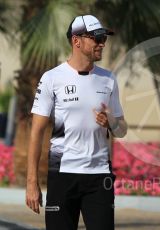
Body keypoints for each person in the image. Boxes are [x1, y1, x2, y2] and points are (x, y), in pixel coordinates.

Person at [25, 15, 127, 230]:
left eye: (104, 39)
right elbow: (36, 132)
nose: (102, 43)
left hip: (100, 176)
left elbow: (122, 130)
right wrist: (32, 183)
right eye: (97, 38)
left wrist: (111, 122)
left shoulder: (108, 79)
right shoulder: (52, 78)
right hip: (63, 174)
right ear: (76, 40)